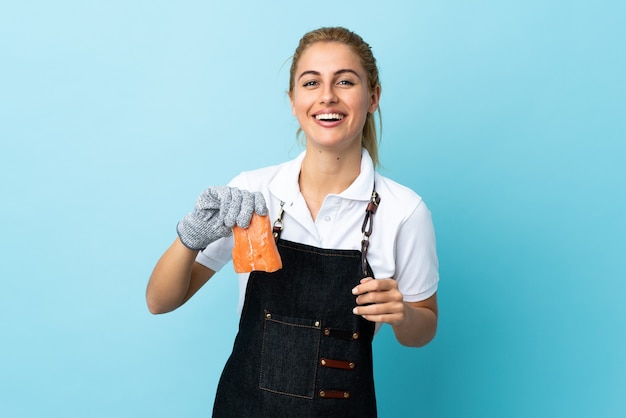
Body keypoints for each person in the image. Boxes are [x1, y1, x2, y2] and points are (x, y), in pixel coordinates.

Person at [146, 26, 439, 417]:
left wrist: (402, 314)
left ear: (373, 97)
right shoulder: (253, 193)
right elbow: (159, 302)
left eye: (345, 81)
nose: (327, 96)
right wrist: (191, 236)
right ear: (293, 100)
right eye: (311, 82)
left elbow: (424, 329)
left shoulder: (403, 211)